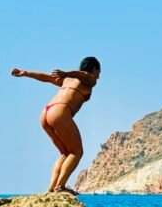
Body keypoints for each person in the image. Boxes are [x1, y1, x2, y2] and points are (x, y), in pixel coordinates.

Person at [11, 56, 101, 194]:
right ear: (94, 69)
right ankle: (60, 186)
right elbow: (83, 74)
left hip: (46, 112)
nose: (99, 77)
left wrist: (27, 73)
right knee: (77, 152)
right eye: (99, 72)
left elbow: (46, 78)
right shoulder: (89, 79)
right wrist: (66, 73)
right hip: (60, 112)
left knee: (65, 153)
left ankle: (52, 188)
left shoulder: (68, 79)